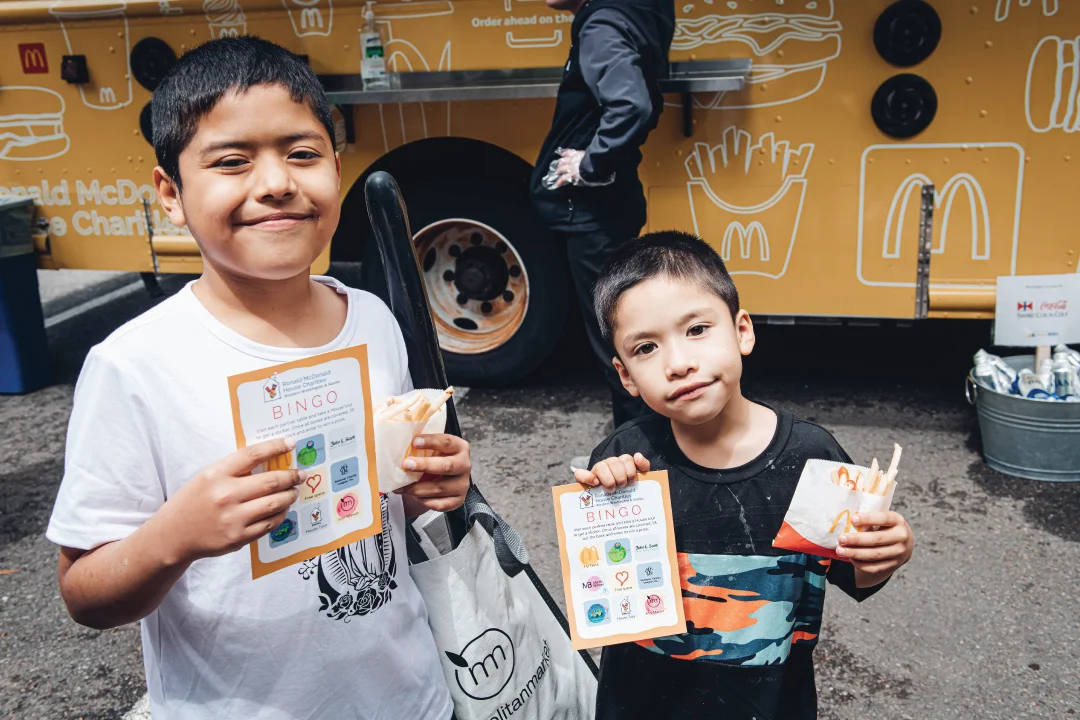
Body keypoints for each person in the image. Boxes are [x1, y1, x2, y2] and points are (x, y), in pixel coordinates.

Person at [46, 37, 469, 720]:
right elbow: (86, 593)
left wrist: (429, 490)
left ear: (337, 168)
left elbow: (390, 513)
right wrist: (174, 536)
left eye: (302, 154)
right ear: (171, 194)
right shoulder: (135, 365)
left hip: (410, 697)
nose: (276, 182)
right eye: (232, 161)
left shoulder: (371, 319)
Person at [572, 231, 916, 720]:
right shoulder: (625, 456)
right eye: (646, 348)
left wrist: (887, 551)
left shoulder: (813, 458)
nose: (679, 363)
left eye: (696, 330)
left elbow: (855, 571)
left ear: (742, 331)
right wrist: (604, 500)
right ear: (625, 375)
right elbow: (606, 584)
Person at [530, 0, 675, 429]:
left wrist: (590, 164)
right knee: (627, 329)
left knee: (615, 341)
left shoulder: (601, 25)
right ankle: (651, 437)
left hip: (591, 214)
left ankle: (641, 445)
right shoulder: (627, 17)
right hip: (610, 208)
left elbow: (632, 105)